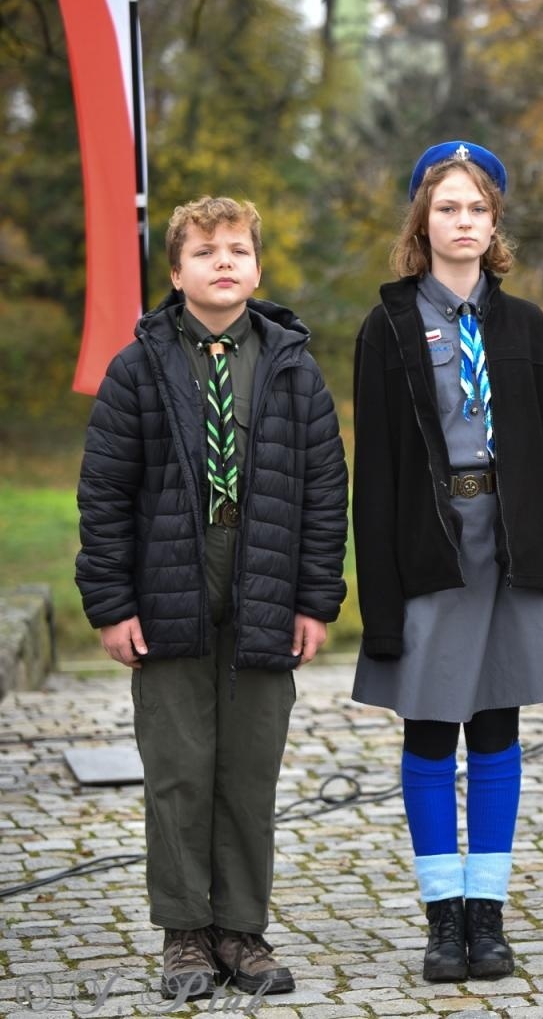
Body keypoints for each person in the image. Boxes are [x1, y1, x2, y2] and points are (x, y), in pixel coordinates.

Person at [75, 196, 347, 999]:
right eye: (204, 252)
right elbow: (104, 493)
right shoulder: (139, 368)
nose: (223, 262)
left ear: (257, 268)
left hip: (265, 590)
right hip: (169, 595)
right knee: (179, 769)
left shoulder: (293, 367)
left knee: (249, 771)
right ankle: (186, 932)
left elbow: (324, 492)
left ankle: (241, 928)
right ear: (175, 272)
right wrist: (111, 604)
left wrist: (315, 601)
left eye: (237, 250)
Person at [351, 141, 543, 983]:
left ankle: (488, 913)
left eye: (477, 208)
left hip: (508, 549)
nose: (463, 222)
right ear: (422, 221)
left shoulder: (525, 327)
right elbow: (375, 474)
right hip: (431, 547)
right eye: (447, 207)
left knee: (496, 730)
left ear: (495, 222)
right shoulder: (388, 327)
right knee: (430, 728)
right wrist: (379, 606)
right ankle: (441, 917)